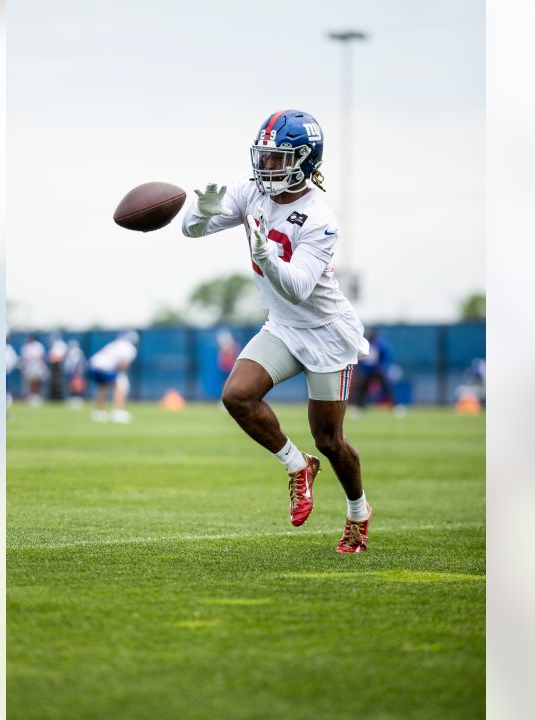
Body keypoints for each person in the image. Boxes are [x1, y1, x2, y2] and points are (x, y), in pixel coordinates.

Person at [181, 109, 373, 553]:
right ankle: (296, 465)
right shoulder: (251, 191)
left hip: (326, 331)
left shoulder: (320, 217)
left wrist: (268, 258)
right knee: (236, 396)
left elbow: (300, 288)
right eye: (264, 157)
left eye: (277, 159)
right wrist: (200, 215)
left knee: (331, 439)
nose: (266, 167)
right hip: (284, 328)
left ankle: (358, 515)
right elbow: (192, 230)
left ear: (304, 160)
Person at [88, 330, 138, 424]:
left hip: (94, 364)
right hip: (106, 367)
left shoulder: (116, 343)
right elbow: (123, 364)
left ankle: (98, 412)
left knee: (103, 387)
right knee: (121, 385)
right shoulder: (129, 347)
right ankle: (117, 412)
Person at [352, 328, 404, 416]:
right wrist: (362, 367)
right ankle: (359, 408)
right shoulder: (364, 343)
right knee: (361, 388)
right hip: (367, 371)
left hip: (378, 370)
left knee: (386, 388)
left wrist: (382, 366)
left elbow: (387, 356)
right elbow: (359, 357)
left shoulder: (380, 343)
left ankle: (395, 406)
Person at [20, 334, 47, 405]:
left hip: (37, 367)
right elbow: (24, 359)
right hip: (29, 367)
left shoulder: (38, 346)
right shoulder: (25, 347)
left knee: (37, 382)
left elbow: (42, 357)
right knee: (30, 382)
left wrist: (42, 367)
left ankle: (37, 397)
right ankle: (31, 397)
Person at [63, 339, 87, 408]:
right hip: (72, 372)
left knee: (78, 384)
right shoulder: (70, 352)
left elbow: (79, 363)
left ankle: (78, 397)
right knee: (72, 385)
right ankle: (73, 397)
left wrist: (77, 371)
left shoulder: (78, 352)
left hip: (77, 372)